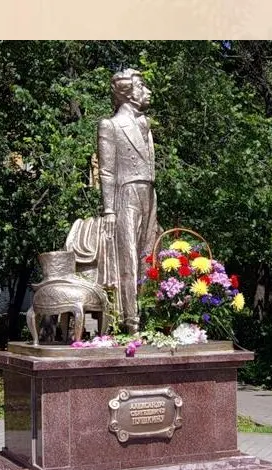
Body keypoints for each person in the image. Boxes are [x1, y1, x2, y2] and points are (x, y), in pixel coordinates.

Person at [97, 68, 161, 333]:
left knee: (149, 253)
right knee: (128, 257)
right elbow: (106, 170)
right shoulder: (109, 125)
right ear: (128, 93)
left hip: (148, 192)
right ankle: (129, 321)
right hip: (126, 192)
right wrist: (109, 210)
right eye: (142, 86)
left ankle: (149, 315)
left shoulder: (145, 125)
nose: (147, 91)